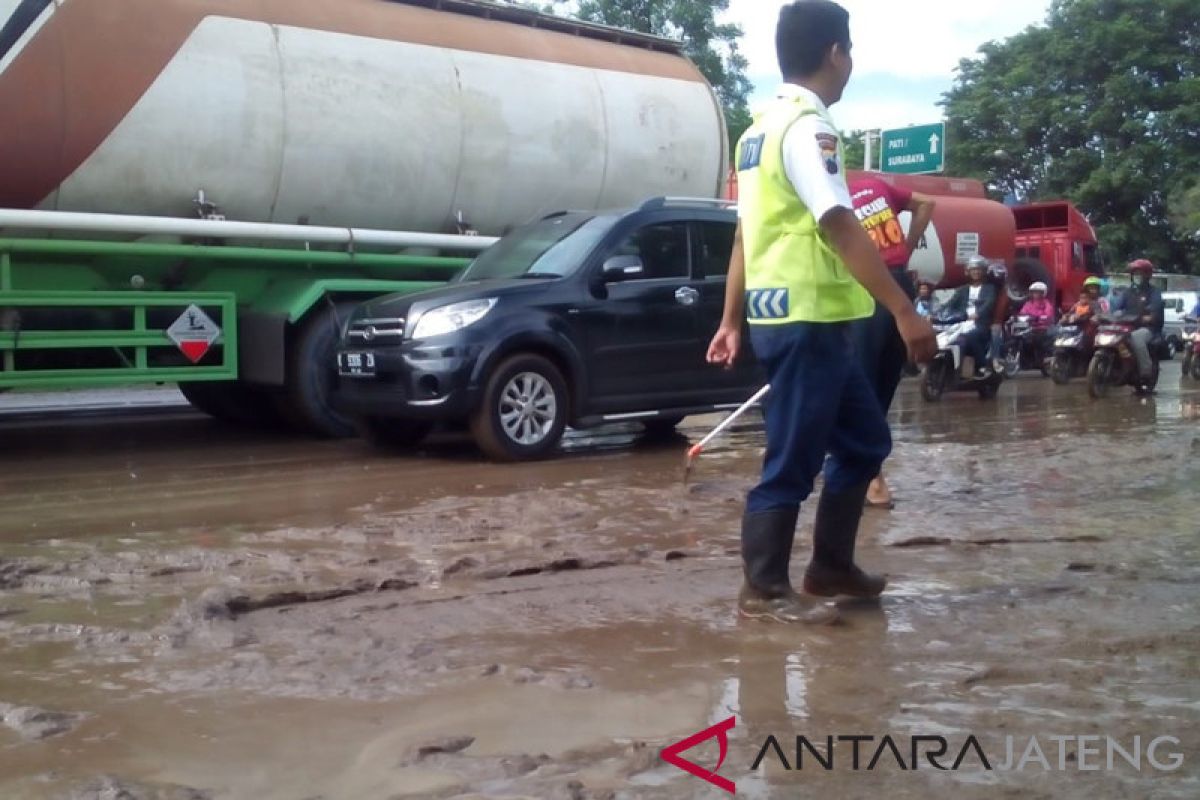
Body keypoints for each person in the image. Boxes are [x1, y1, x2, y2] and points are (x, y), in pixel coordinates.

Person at [705, 0, 936, 626]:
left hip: (803, 319)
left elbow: (745, 237)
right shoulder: (809, 129)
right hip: (806, 320)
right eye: (850, 51)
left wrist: (730, 319)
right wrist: (903, 310)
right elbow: (839, 223)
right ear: (837, 53)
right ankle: (764, 589)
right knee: (793, 457)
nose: (851, 62)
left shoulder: (758, 134)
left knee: (865, 441)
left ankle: (830, 565)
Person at [847, 175, 936, 509]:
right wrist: (908, 247)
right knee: (881, 382)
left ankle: (870, 473)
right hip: (897, 282)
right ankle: (867, 469)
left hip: (864, 287)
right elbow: (927, 203)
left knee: (865, 382)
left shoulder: (828, 190)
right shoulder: (874, 183)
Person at [1111, 258, 1165, 390]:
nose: (1137, 276)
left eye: (1140, 273)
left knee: (1136, 338)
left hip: (1148, 329)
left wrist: (1149, 317)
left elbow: (1155, 310)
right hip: (1128, 326)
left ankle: (1145, 371)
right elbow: (1116, 308)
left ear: (1147, 275)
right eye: (1134, 273)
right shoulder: (1127, 292)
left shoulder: (1154, 292)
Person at [942, 256, 997, 375]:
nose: (976, 272)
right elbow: (949, 304)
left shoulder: (990, 289)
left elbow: (989, 303)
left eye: (979, 269)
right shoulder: (962, 290)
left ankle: (982, 366)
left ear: (983, 271)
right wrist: (937, 313)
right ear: (968, 271)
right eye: (973, 269)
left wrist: (979, 313)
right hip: (960, 323)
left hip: (980, 324)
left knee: (970, 336)